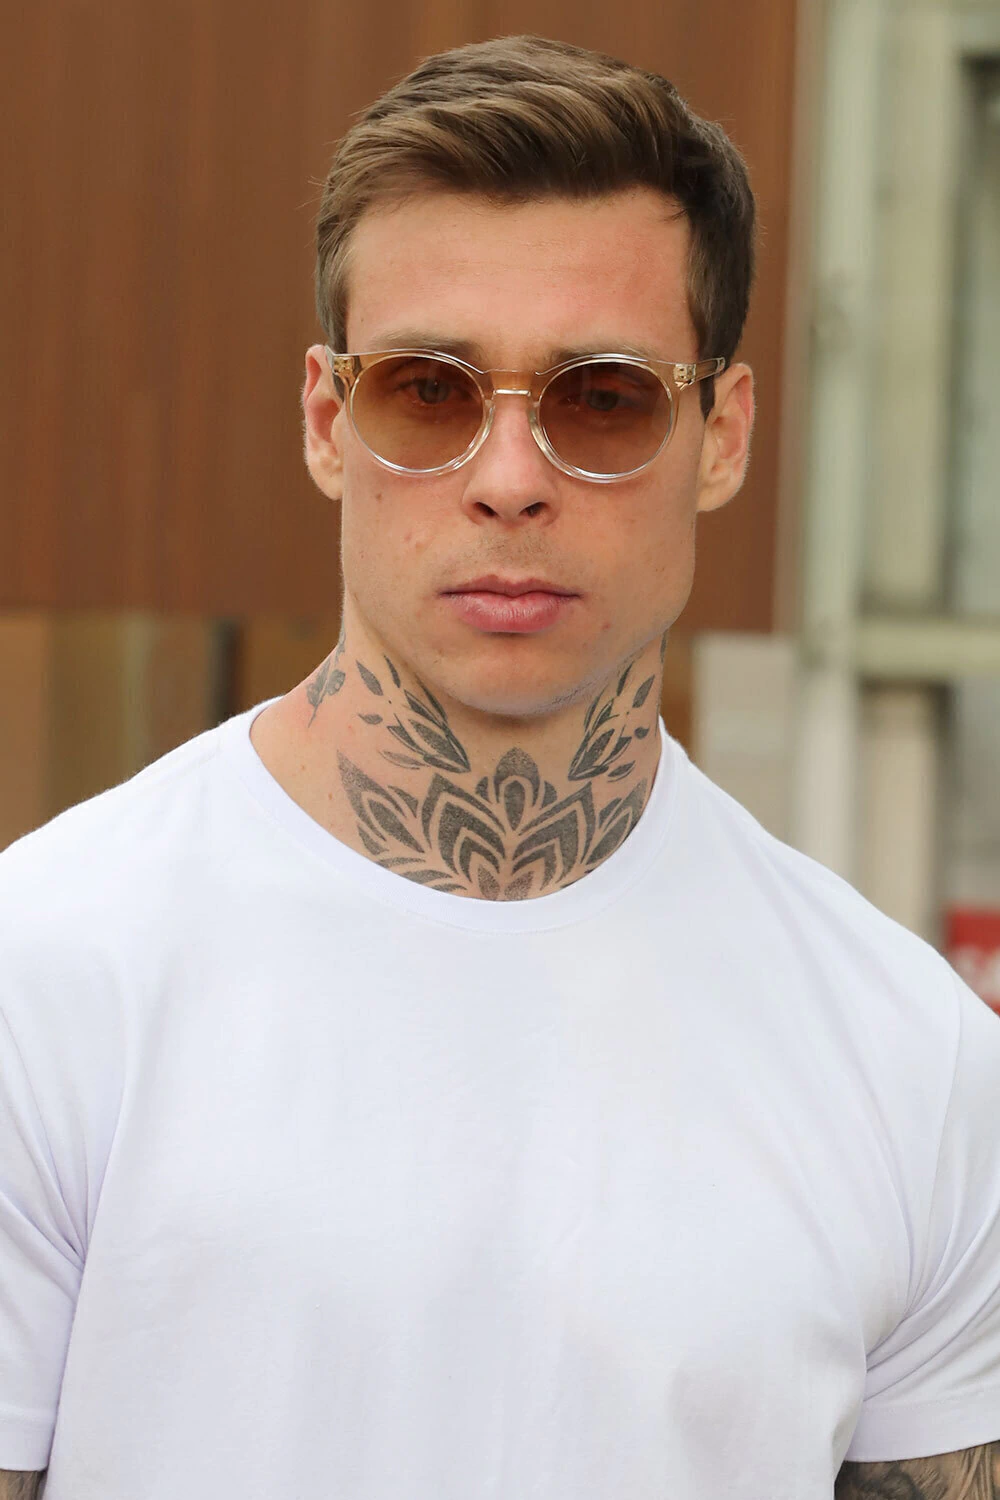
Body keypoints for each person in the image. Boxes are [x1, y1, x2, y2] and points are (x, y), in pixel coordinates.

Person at [1, 33, 998, 1500]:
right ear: (328, 422)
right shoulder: (46, 972)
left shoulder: (910, 1056)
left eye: (604, 398)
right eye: (428, 389)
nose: (510, 477)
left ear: (722, 434)